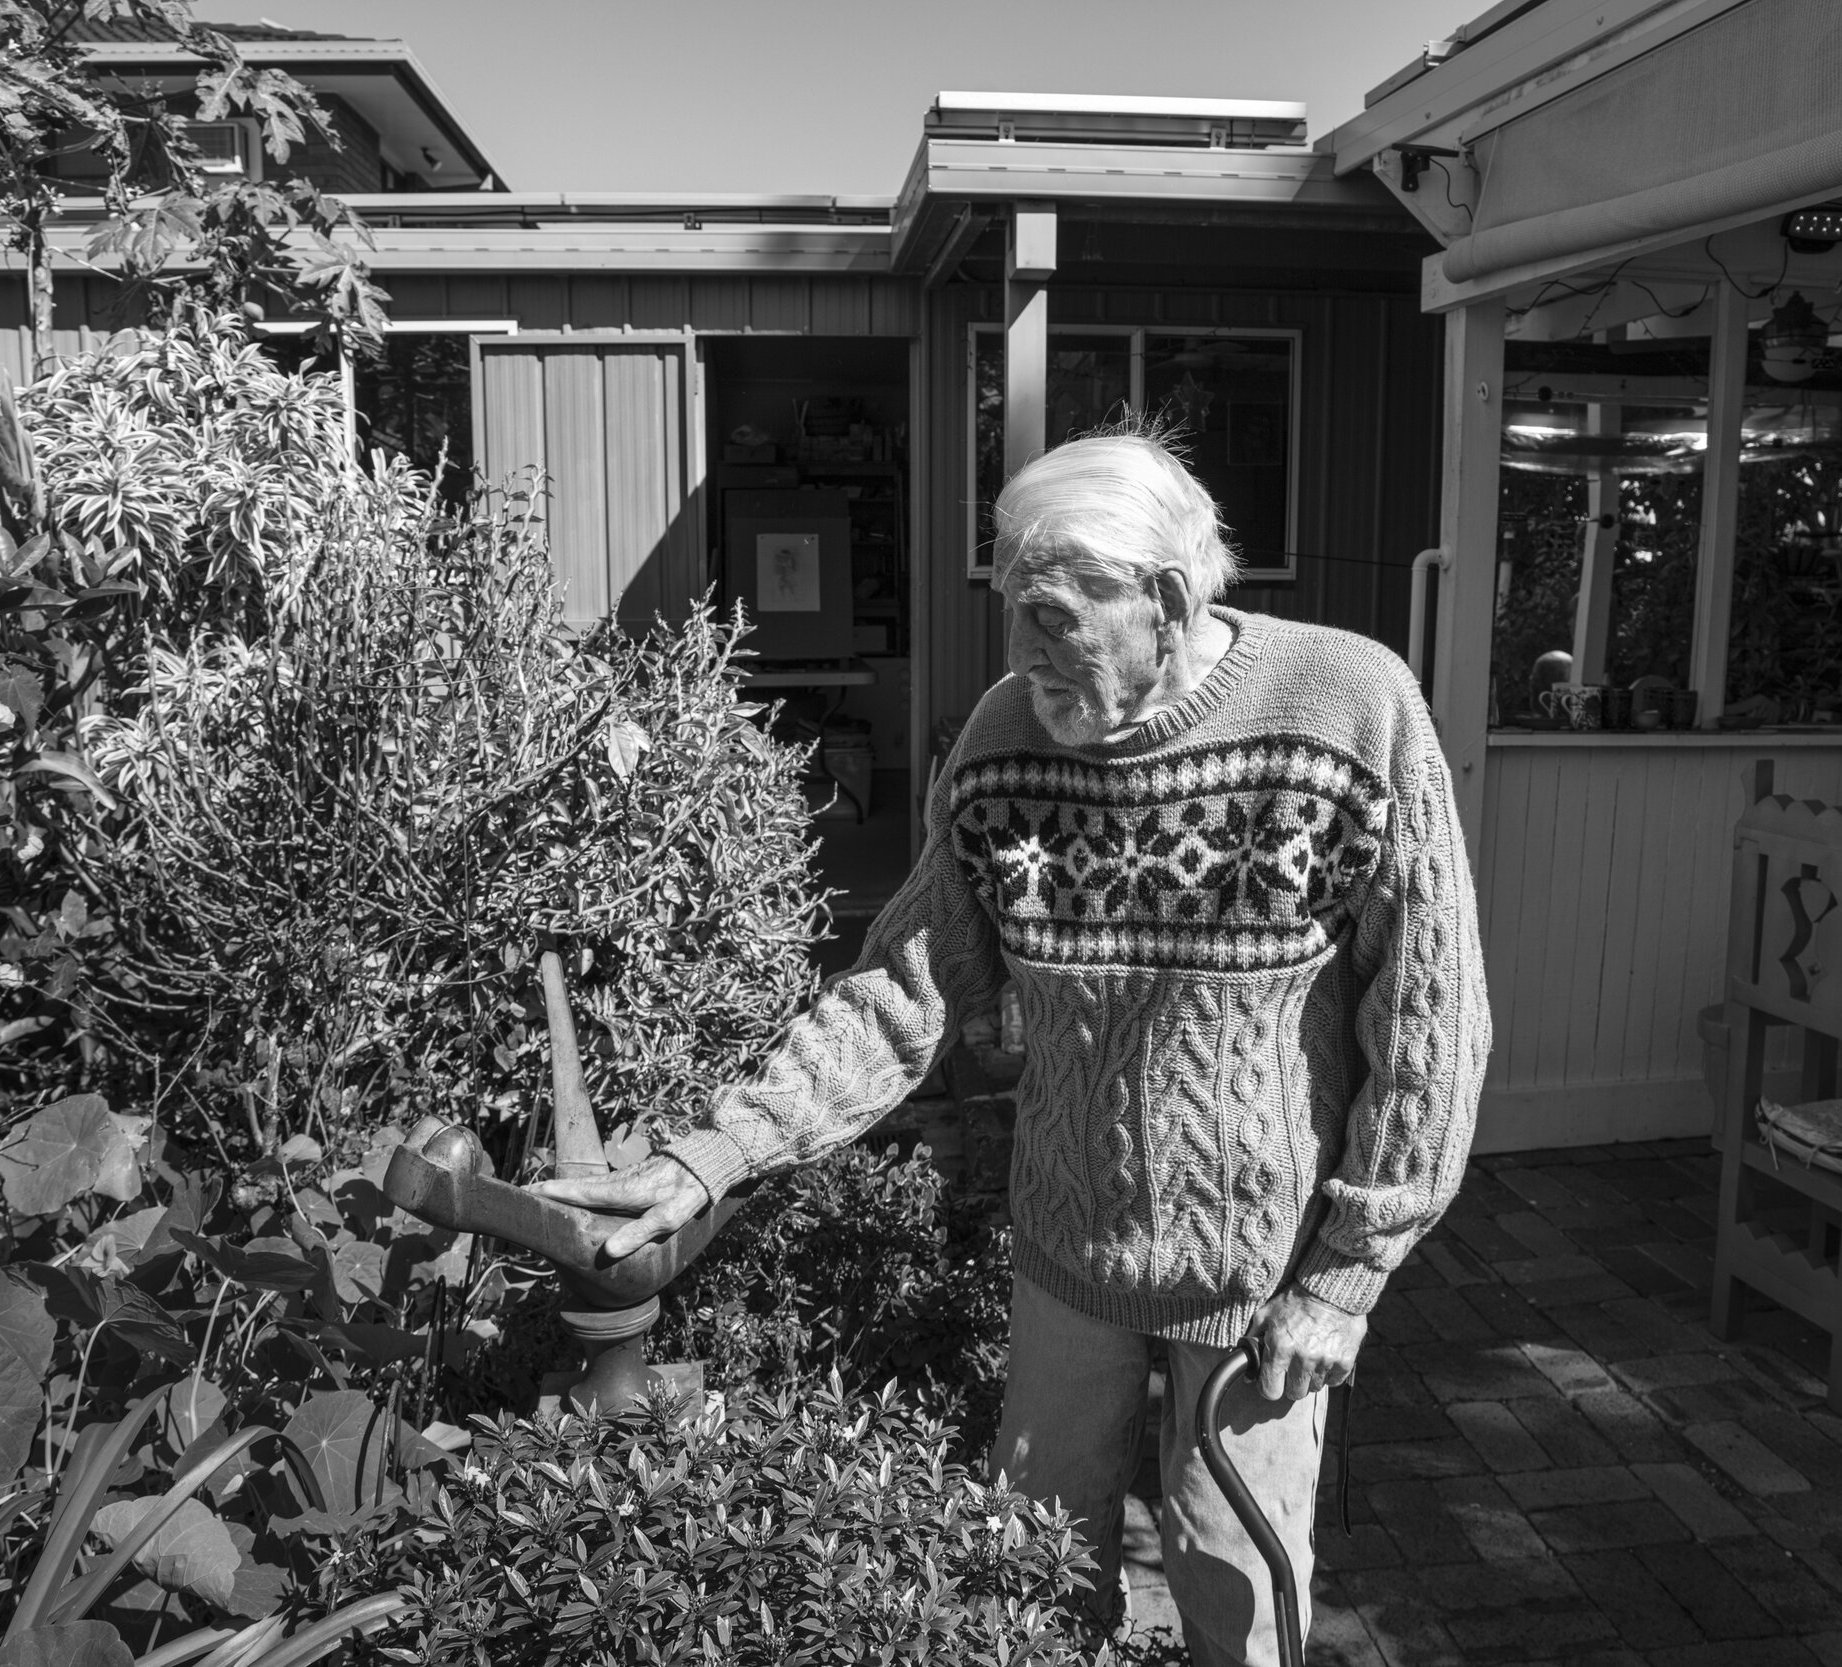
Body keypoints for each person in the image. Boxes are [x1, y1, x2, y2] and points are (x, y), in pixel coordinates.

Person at [540, 429, 1491, 1667]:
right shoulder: (1004, 740)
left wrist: (1347, 1275)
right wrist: (705, 1157)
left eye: (1050, 617)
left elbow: (1429, 1011)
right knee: (1028, 1577)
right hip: (1065, 1248)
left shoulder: (1348, 707)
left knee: (1236, 1600)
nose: (1020, 652)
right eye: (1010, 612)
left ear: (1161, 597)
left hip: (1258, 1272)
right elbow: (900, 992)